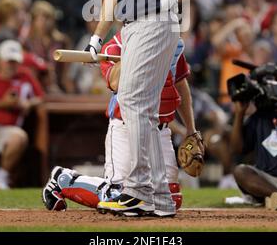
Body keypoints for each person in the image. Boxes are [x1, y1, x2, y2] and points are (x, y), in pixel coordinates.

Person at [80, 0, 229, 217]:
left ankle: (136, 189)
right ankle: (157, 198)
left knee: (131, 102)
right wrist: (98, 39)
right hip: (129, 27)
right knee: (139, 108)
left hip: (156, 19)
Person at [42, 33, 197, 214]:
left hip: (159, 129)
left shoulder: (170, 41)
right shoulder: (113, 46)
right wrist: (136, 51)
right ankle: (63, 179)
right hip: (126, 127)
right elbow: (115, 83)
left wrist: (191, 129)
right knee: (119, 195)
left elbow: (180, 82)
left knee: (170, 199)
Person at [0, 40, 43, 189]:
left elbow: (40, 97)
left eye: (15, 62)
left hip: (8, 129)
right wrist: (3, 103)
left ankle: (0, 179)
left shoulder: (24, 76)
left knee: (19, 137)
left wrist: (28, 103)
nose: (12, 65)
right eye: (8, 61)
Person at [231, 82, 277, 210]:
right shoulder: (261, 117)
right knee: (241, 171)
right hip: (267, 181)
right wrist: (239, 114)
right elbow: (237, 149)